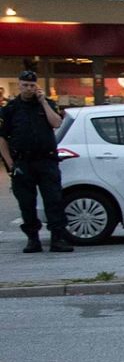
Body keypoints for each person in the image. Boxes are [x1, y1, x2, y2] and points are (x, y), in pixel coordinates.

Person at [0, 71, 72, 253]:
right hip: (23, 163)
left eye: (32, 85)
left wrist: (43, 102)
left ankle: (57, 239)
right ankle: (33, 239)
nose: (29, 89)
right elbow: (2, 139)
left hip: (46, 161)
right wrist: (10, 165)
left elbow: (56, 123)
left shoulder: (47, 104)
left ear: (36, 86)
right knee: (26, 203)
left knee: (54, 200)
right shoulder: (10, 109)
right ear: (19, 86)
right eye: (25, 85)